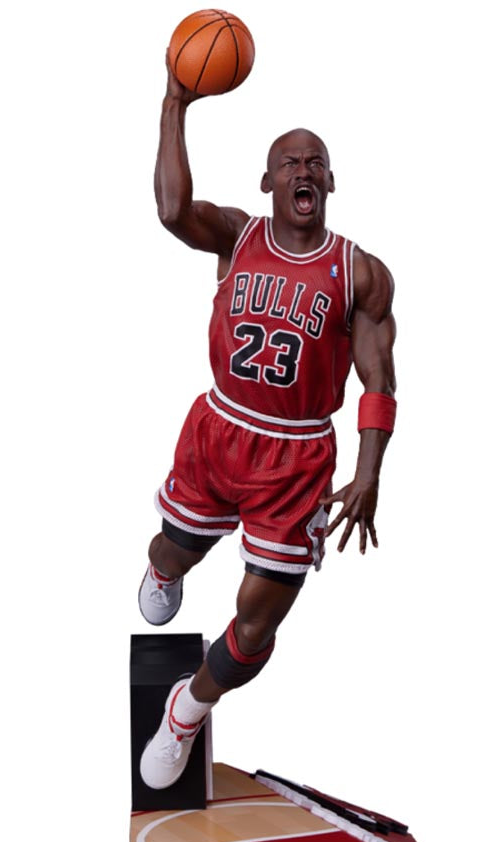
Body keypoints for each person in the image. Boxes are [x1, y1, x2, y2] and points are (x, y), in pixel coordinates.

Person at [138, 63, 398, 790]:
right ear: (267, 182)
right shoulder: (236, 235)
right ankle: (164, 568)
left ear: (331, 182)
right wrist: (175, 104)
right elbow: (171, 209)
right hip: (220, 430)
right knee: (173, 549)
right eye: (289, 161)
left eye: (316, 161)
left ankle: (187, 709)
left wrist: (369, 473)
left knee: (256, 626)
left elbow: (379, 380)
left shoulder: (361, 273)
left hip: (298, 457)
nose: (303, 169)